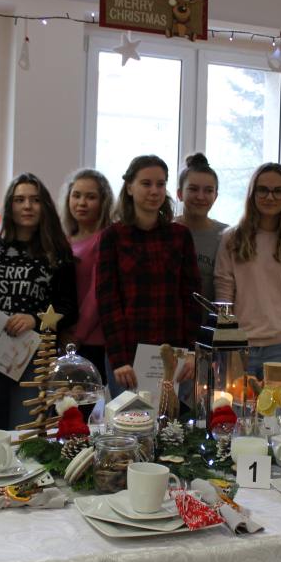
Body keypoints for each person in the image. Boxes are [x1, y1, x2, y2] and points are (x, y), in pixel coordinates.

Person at [97, 155, 201, 398]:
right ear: (129, 187)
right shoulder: (113, 236)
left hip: (174, 356)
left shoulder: (180, 236)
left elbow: (192, 299)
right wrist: (119, 359)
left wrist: (191, 352)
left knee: (172, 421)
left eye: (161, 184)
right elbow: (108, 301)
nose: (155, 191)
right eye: (146, 183)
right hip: (127, 357)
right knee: (128, 420)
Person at [0, 173, 78, 429]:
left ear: (45, 206)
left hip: (34, 357)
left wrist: (35, 319)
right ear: (9, 205)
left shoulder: (58, 253)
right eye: (19, 199)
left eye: (35, 200)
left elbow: (70, 309)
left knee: (23, 432)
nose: (27, 206)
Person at [215, 163, 281, 381]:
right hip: (239, 347)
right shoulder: (231, 239)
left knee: (278, 405)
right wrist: (229, 353)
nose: (270, 197)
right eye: (263, 190)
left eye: (278, 191)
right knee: (237, 404)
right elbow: (224, 302)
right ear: (252, 193)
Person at [61, 168, 114, 381]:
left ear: (103, 202)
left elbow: (96, 293)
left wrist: (77, 335)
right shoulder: (64, 240)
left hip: (92, 341)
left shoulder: (104, 238)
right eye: (76, 195)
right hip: (65, 337)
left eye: (90, 197)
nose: (81, 203)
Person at [174, 153, 227, 303]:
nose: (200, 197)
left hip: (211, 317)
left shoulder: (226, 236)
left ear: (216, 196)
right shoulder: (166, 232)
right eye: (193, 189)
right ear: (180, 194)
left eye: (208, 190)